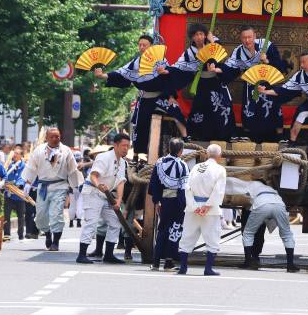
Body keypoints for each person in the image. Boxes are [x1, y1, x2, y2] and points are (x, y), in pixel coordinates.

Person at [97, 34, 185, 159]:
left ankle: (183, 142)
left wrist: (170, 93)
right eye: (140, 45)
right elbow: (120, 73)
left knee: (176, 114)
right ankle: (138, 155)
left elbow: (169, 79)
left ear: (151, 47)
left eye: (145, 45)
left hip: (160, 99)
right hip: (144, 101)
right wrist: (103, 76)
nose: (142, 47)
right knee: (140, 128)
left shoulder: (161, 60)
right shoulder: (135, 63)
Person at [223, 25, 289, 142]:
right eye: (244, 38)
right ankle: (249, 134)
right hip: (250, 83)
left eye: (249, 37)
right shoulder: (238, 51)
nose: (247, 40)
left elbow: (279, 65)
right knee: (250, 108)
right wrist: (219, 71)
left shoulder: (266, 45)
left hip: (268, 80)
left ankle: (280, 136)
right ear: (240, 38)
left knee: (274, 106)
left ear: (255, 36)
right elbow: (229, 68)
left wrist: (267, 60)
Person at [23, 128, 83, 252]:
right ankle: (47, 233)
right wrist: (28, 183)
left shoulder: (66, 151)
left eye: (58, 137)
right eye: (53, 137)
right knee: (40, 215)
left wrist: (76, 186)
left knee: (56, 214)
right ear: (47, 138)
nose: (56, 139)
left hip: (60, 186)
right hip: (43, 187)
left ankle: (55, 242)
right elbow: (31, 167)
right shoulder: (39, 150)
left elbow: (73, 169)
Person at [173, 23, 234, 141]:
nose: (199, 37)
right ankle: (198, 136)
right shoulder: (190, 52)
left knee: (221, 107)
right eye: (196, 35)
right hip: (201, 82)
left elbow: (220, 51)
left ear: (205, 35)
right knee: (200, 108)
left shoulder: (213, 41)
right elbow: (179, 65)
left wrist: (211, 41)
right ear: (192, 37)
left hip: (216, 81)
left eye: (201, 34)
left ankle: (224, 136)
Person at [77, 134, 129, 265]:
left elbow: (121, 182)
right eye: (124, 145)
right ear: (116, 145)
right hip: (93, 192)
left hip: (106, 195)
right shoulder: (104, 157)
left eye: (128, 146)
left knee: (115, 221)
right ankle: (81, 254)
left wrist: (118, 201)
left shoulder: (123, 162)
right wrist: (98, 185)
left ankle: (109, 254)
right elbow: (94, 175)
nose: (126, 149)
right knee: (92, 222)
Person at [178, 143, 228, 276]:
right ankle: (208, 268)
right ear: (220, 156)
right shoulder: (220, 170)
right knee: (212, 238)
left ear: (206, 154)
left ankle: (183, 267)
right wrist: (207, 206)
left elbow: (187, 187)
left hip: (193, 208)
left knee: (187, 237)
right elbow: (218, 191)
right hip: (210, 210)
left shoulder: (196, 167)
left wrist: (194, 206)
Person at [230, 178, 299, 273]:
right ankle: (290, 265)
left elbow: (234, 184)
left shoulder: (252, 184)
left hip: (262, 204)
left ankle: (247, 262)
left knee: (248, 233)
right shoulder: (271, 189)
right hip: (279, 204)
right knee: (287, 234)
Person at [149, 138, 189, 271]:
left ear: (169, 148)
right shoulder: (182, 165)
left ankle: (155, 262)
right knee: (174, 231)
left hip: (163, 201)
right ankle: (168, 262)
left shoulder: (159, 162)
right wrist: (184, 206)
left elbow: (154, 183)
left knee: (162, 230)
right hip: (177, 202)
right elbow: (183, 188)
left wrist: (157, 200)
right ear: (181, 151)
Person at [3, 146, 27, 241]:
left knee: (21, 216)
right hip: (9, 194)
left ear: (21, 155)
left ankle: (21, 234)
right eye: (14, 154)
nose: (15, 155)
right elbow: (5, 175)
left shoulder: (24, 166)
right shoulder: (9, 165)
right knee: (6, 215)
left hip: (19, 194)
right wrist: (5, 183)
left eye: (17, 154)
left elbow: (23, 177)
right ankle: (7, 234)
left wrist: (19, 184)